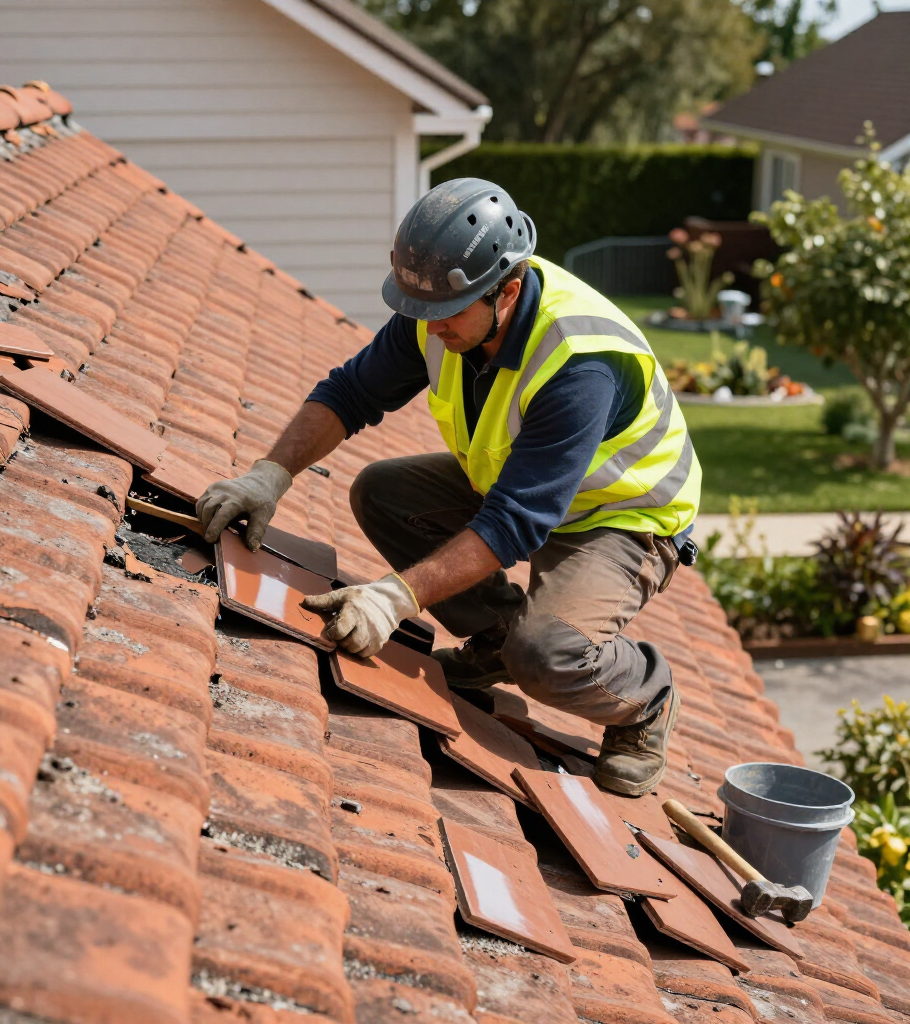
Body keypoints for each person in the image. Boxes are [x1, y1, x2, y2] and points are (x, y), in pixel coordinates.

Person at [197, 178, 701, 796]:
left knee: (545, 655)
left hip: (620, 515)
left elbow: (516, 522)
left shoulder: (581, 361)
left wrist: (393, 598)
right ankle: (493, 636)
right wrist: (267, 475)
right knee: (383, 493)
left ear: (507, 291)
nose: (427, 326)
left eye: (443, 314)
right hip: (520, 484)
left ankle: (646, 698)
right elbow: (349, 393)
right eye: (418, 309)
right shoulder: (438, 309)